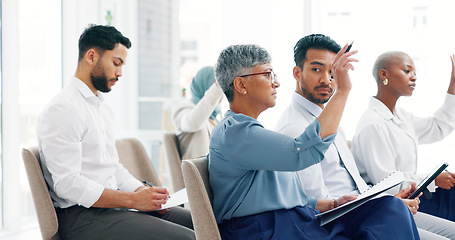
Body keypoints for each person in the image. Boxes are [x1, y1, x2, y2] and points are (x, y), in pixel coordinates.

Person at [209, 43, 419, 239]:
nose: (276, 82)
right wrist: (343, 90)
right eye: (267, 74)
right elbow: (302, 153)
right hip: (261, 229)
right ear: (240, 84)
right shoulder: (234, 132)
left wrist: (334, 203)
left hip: (289, 221)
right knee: (388, 214)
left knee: (390, 208)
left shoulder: (251, 134)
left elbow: (291, 196)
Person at [276, 34, 455, 240]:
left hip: (371, 207)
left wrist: (387, 201)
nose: (327, 79)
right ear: (297, 73)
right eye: (316, 69)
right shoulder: (295, 128)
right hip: (351, 218)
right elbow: (317, 204)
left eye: (333, 71)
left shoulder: (330, 119)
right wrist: (382, 205)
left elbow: (355, 185)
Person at [36, 24, 195, 240]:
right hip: (81, 217)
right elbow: (67, 184)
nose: (120, 73)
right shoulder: (63, 108)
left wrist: (141, 193)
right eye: (116, 63)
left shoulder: (101, 108)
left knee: (202, 223)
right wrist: (132, 200)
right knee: (186, 238)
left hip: (111, 209)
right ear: (91, 56)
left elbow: (113, 168)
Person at [351, 51, 455, 222]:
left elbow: (437, 127)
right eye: (407, 71)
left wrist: (453, 86)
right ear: (383, 74)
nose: (413, 77)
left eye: (415, 73)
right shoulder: (373, 124)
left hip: (412, 196)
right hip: (392, 204)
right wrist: (433, 179)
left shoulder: (402, 117)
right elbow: (387, 184)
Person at [171, 66, 224, 160]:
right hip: (197, 173)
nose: (221, 94)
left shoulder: (215, 119)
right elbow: (192, 123)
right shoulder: (183, 108)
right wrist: (216, 89)